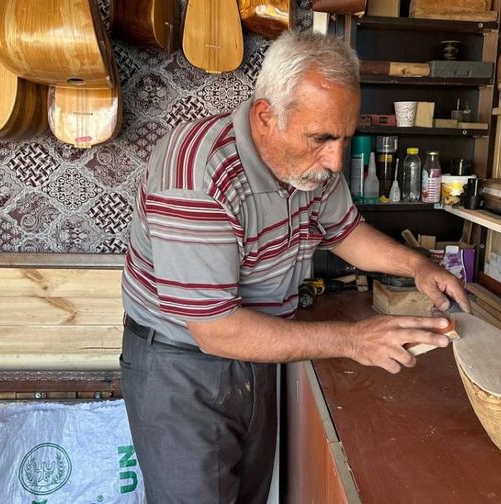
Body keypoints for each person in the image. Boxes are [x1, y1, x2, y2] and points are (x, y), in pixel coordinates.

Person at [120, 30, 470, 503]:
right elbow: (214, 329)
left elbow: (345, 232)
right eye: (321, 138)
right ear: (266, 116)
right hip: (182, 368)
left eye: (345, 138)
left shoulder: (310, 164)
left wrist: (418, 266)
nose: (334, 159)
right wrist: (352, 340)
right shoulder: (198, 172)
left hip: (258, 348)